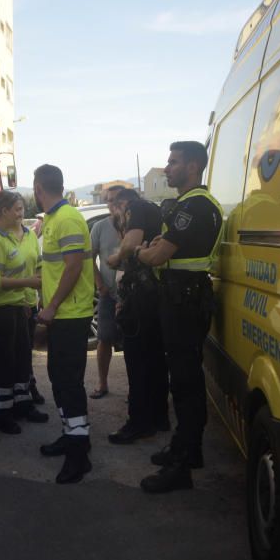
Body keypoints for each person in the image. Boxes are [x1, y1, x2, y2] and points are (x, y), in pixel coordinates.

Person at [135, 141, 224, 493]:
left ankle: (182, 467)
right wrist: (154, 248)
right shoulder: (192, 204)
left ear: (192, 167)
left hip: (183, 301)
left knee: (185, 383)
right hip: (184, 298)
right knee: (184, 378)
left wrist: (140, 252)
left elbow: (157, 256)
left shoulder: (194, 206)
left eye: (173, 162)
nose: (167, 168)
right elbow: (163, 248)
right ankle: (189, 449)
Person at [33, 164, 95, 484]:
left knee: (69, 384)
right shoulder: (55, 219)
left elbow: (72, 268)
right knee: (59, 380)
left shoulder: (67, 218)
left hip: (70, 315)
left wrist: (53, 305)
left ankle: (78, 455)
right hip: (62, 315)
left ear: (39, 188)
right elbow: (57, 269)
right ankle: (72, 436)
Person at [0, 191, 48, 434]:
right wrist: (28, 283)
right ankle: (2, 413)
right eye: (17, 209)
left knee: (22, 362)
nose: (21, 214)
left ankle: (22, 405)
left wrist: (30, 298)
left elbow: (36, 265)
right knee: (4, 365)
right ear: (3, 211)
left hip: (19, 306)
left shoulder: (27, 235)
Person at [105, 188, 169, 443]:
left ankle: (139, 423)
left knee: (137, 360)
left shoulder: (136, 209)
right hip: (155, 295)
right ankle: (159, 417)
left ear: (123, 202)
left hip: (141, 298)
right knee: (155, 359)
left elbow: (131, 244)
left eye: (112, 205)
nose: (111, 210)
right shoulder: (153, 208)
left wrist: (116, 257)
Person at [88, 186, 124, 399]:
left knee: (134, 344)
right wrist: (100, 284)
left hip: (132, 296)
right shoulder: (100, 227)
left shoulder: (135, 225)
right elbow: (90, 258)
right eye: (109, 201)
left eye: (117, 200)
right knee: (104, 339)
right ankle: (102, 383)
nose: (113, 205)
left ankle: (135, 388)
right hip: (108, 294)